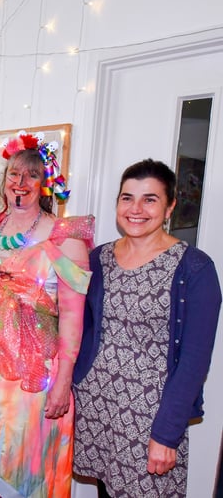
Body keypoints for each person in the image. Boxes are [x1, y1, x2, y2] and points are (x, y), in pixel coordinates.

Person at [0, 131, 94, 498]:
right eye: (14, 173)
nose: (20, 182)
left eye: (31, 175)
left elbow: (74, 317)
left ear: (45, 184)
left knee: (17, 468)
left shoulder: (64, 236)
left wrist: (63, 380)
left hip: (31, 372)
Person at [72, 159, 221, 497]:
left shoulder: (195, 269)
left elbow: (194, 363)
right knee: (106, 490)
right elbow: (84, 326)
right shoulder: (99, 258)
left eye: (150, 199)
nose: (135, 209)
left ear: (169, 207)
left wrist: (167, 434)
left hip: (150, 418)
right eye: (127, 198)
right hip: (96, 405)